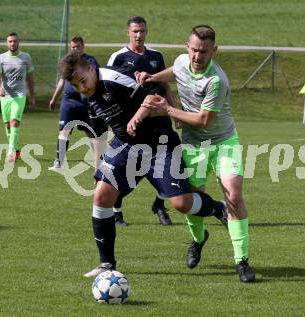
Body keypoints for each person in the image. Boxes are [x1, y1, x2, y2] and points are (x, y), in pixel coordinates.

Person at [58, 52, 228, 277]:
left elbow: (155, 90)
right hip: (126, 147)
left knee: (181, 203)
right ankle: (107, 264)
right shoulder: (88, 97)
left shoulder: (113, 78)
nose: (83, 88)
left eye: (83, 80)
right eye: (76, 86)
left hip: (160, 144)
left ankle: (218, 208)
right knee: (101, 197)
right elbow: (99, 128)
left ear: (90, 68)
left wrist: (138, 116)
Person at [134, 25, 255, 283]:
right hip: (192, 145)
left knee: (233, 195)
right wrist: (153, 77)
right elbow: (176, 72)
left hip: (223, 142)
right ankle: (198, 240)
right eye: (194, 50)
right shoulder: (181, 61)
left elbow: (203, 121)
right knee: (191, 199)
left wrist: (168, 110)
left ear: (214, 50)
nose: (197, 57)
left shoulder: (216, 80)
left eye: (204, 52)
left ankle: (241, 261)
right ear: (187, 47)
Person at [106, 16, 174, 226]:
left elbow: (165, 86)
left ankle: (160, 205)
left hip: (160, 123)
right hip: (132, 126)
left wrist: (175, 110)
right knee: (128, 173)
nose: (139, 35)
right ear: (128, 32)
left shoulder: (156, 56)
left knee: (174, 168)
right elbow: (108, 89)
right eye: (135, 31)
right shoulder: (118, 57)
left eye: (142, 31)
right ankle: (116, 211)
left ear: (146, 32)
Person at [48, 36, 107, 171]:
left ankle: (99, 161)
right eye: (73, 47)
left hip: (85, 104)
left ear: (83, 46)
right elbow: (62, 82)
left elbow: (95, 79)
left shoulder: (90, 61)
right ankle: (59, 163)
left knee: (91, 133)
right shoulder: (67, 63)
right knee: (64, 131)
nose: (75, 49)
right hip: (68, 103)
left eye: (78, 46)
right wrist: (54, 99)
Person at [0, 32, 35, 162]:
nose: (13, 43)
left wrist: (32, 95)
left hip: (20, 95)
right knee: (7, 125)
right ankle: (16, 149)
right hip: (5, 96)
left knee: (14, 122)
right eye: (10, 41)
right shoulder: (1, 58)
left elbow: (30, 77)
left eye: (15, 41)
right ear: (7, 43)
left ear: (18, 42)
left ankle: (10, 152)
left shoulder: (26, 57)